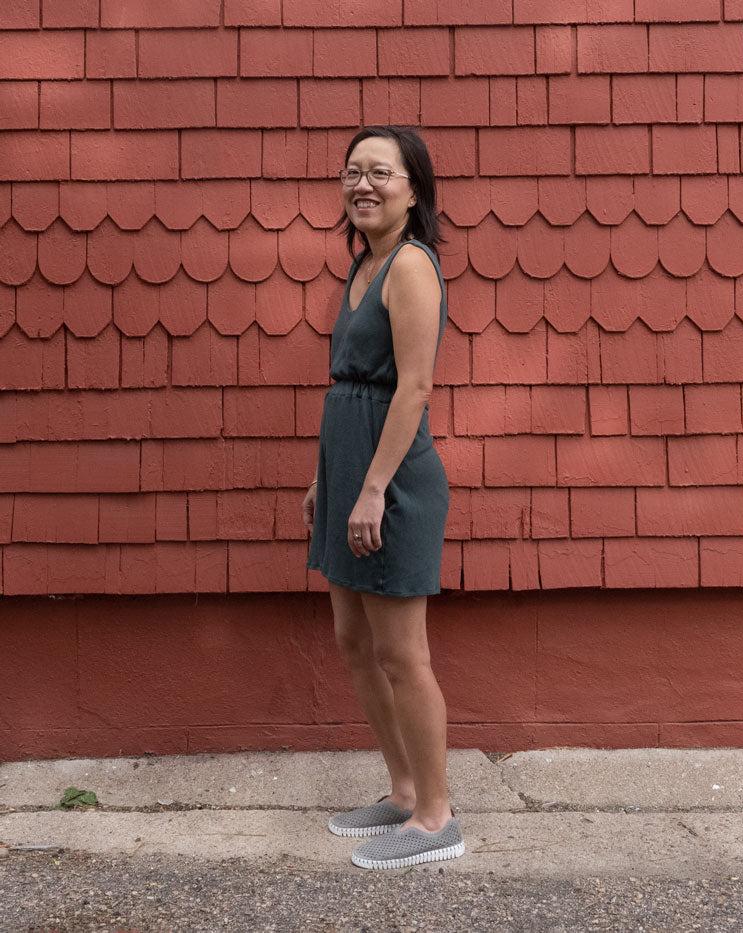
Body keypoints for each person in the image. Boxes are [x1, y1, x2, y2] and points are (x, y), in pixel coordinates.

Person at [302, 125, 461, 870]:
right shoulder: (363, 264)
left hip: (392, 483)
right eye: (352, 172)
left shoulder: (411, 268)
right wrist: (325, 480)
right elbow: (351, 388)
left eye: (381, 173)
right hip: (350, 475)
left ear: (414, 189)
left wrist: (370, 490)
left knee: (402, 651)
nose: (363, 184)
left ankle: (436, 818)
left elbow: (415, 388)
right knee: (353, 640)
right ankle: (400, 792)